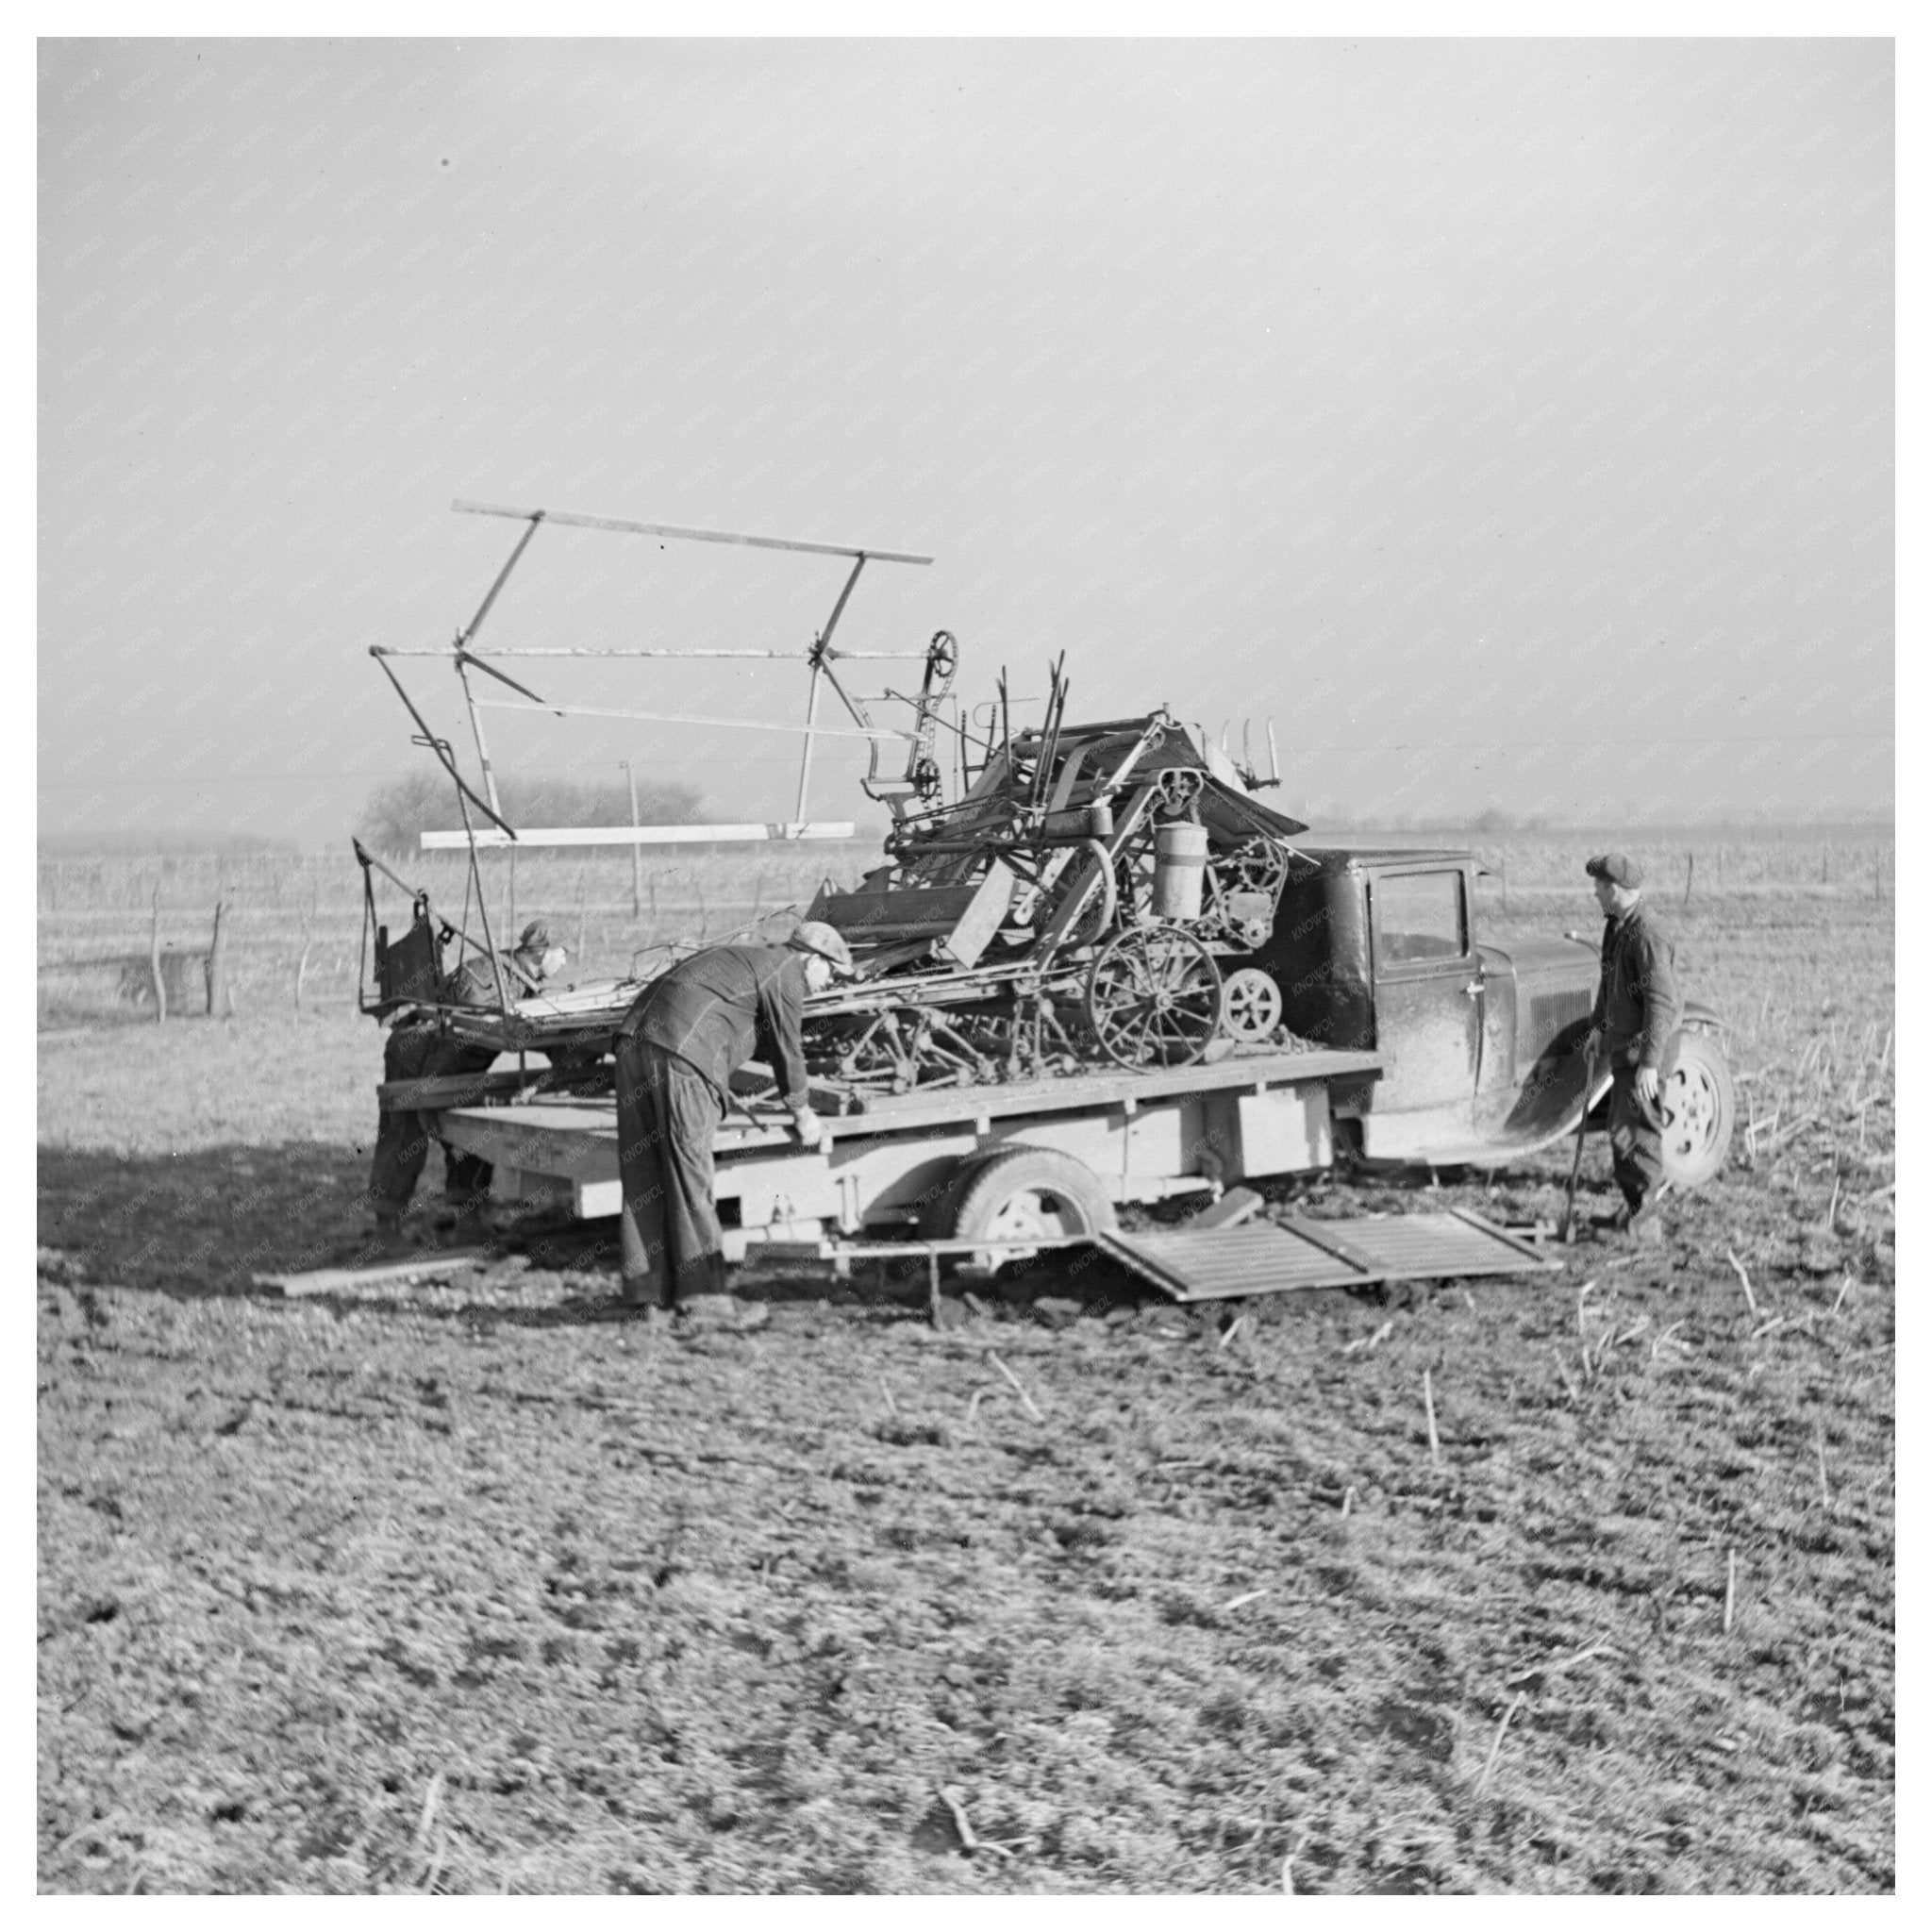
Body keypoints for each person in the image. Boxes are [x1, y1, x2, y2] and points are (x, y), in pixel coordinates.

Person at [613, 920, 855, 1319]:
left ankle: (645, 1293)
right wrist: (802, 1110)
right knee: (690, 1174)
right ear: (812, 959)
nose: (829, 983)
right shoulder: (786, 971)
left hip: (632, 1044)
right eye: (831, 972)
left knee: (644, 1171)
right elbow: (788, 1048)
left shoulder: (746, 960)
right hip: (682, 1055)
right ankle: (703, 1298)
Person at [368, 920, 566, 1251]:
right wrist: (428, 1098)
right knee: (406, 1136)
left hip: (455, 1064)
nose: (564, 962)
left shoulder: (519, 979)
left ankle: (468, 1220)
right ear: (541, 952)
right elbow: (453, 1041)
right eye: (562, 954)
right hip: (417, 1057)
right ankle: (387, 1229)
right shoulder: (489, 980)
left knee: (471, 1132)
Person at [1581, 855, 1680, 1245]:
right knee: (1622, 1132)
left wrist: (1651, 1065)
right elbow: (1609, 987)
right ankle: (1633, 1212)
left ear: (1615, 890)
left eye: (1599, 887)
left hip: (1645, 1056)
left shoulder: (1648, 935)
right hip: (1625, 1049)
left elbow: (1661, 1004)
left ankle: (1646, 1226)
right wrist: (1596, 1029)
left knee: (1642, 1133)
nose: (1594, 893)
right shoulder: (1617, 927)